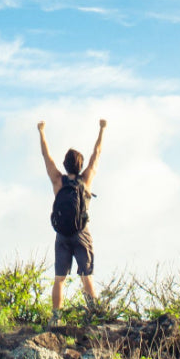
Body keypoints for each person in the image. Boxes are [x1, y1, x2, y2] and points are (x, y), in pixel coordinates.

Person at [38, 119, 106, 325]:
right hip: (81, 233)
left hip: (62, 234)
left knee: (59, 279)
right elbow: (97, 153)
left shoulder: (57, 180)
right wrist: (102, 129)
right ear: (81, 164)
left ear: (65, 164)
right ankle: (94, 314)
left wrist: (41, 132)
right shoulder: (86, 180)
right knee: (86, 276)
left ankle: (56, 319)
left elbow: (46, 156)